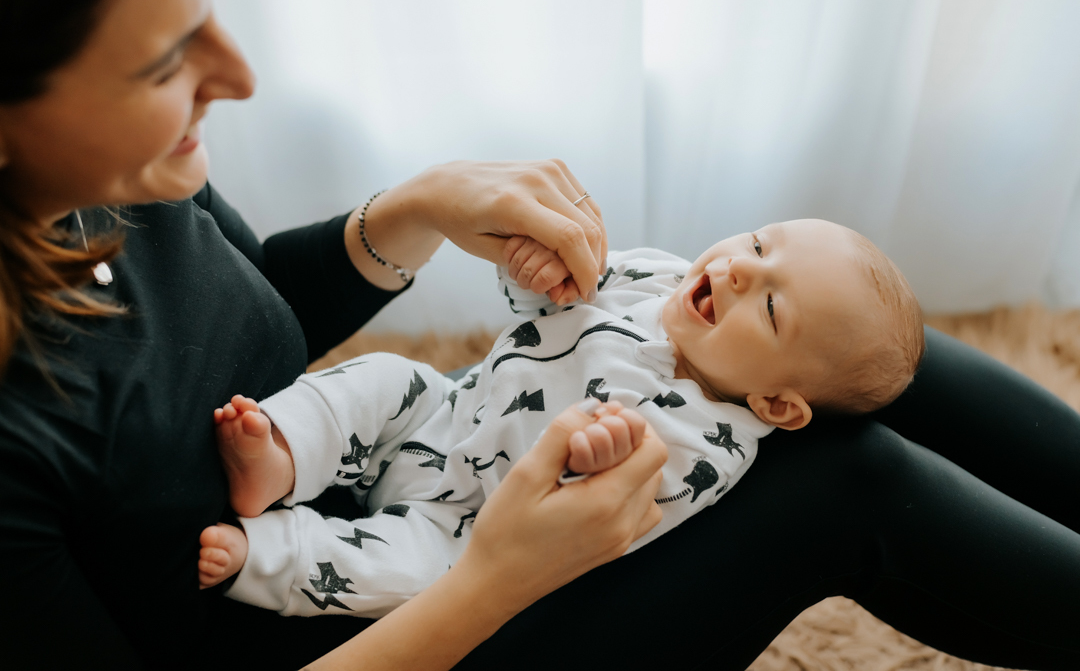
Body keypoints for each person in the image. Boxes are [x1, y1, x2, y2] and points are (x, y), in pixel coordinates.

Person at [1, 0, 1078, 670]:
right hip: (361, 616)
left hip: (379, 472)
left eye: (207, 19)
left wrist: (422, 205)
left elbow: (229, 325)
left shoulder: (116, 176)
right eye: (162, 62)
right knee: (844, 481)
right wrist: (494, 579)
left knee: (847, 326)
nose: (235, 78)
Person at [195, 219, 924, 621]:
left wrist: (598, 458)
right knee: (384, 376)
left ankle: (272, 554)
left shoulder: (708, 439)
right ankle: (282, 455)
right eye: (760, 245)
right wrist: (535, 278)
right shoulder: (660, 275)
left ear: (775, 404)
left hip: (474, 525)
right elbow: (549, 307)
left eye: (769, 306)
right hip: (448, 410)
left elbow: (615, 510)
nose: (738, 270)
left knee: (405, 573)